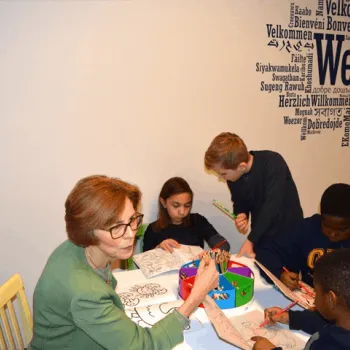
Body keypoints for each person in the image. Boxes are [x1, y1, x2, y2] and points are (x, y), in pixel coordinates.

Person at [28, 175, 219, 350]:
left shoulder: (75, 248)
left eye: (132, 220)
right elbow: (143, 346)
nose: (131, 234)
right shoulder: (85, 293)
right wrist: (196, 297)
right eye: (117, 227)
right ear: (89, 231)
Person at [204, 132, 303, 258]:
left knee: (286, 275)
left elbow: (272, 206)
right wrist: (241, 214)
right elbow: (240, 201)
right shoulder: (234, 176)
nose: (221, 178)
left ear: (241, 167)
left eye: (223, 174)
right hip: (262, 235)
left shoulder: (273, 162)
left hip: (288, 233)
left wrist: (251, 240)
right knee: (262, 271)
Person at [255, 183, 350, 290]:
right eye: (327, 226)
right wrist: (280, 274)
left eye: (342, 230)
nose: (333, 234)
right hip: (312, 298)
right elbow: (266, 251)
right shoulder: (307, 229)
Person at [251, 248, 350, 350]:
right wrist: (292, 318)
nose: (314, 299)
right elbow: (326, 323)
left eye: (316, 292)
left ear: (330, 299)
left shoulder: (328, 344)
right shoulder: (343, 322)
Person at [143, 177, 230, 253]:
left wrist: (211, 254)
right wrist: (158, 248)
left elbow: (223, 245)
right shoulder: (153, 229)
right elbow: (144, 262)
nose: (182, 211)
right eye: (176, 206)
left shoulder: (198, 221)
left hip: (195, 271)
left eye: (187, 205)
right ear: (163, 202)